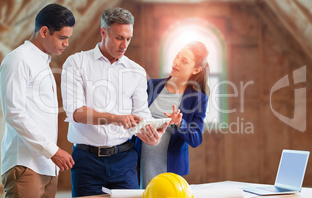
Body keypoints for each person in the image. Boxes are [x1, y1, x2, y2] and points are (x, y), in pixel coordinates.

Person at [61, 7, 170, 197]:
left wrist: (152, 135)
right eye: (119, 37)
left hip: (124, 161)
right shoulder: (76, 63)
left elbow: (141, 114)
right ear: (103, 32)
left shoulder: (136, 72)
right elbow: (76, 113)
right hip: (86, 161)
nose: (124, 44)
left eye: (128, 39)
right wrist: (116, 118)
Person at [0, 4, 75, 198]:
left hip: (46, 167)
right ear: (44, 31)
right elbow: (14, 114)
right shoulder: (18, 60)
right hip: (26, 165)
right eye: (62, 37)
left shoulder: (43, 62)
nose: (66, 44)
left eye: (68, 38)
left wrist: (51, 156)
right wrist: (53, 151)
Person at [136, 41, 210, 189]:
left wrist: (180, 123)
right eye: (177, 56)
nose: (176, 62)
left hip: (170, 170)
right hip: (138, 165)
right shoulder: (152, 86)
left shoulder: (198, 98)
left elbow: (196, 139)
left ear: (196, 70)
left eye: (184, 61)